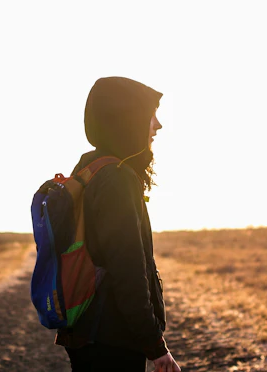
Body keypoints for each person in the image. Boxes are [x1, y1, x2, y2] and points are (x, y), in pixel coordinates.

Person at [55, 77, 181, 372]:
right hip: (112, 339)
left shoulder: (89, 168)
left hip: (88, 331)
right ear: (128, 119)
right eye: (150, 115)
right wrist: (155, 346)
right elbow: (128, 270)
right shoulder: (117, 178)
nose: (158, 125)